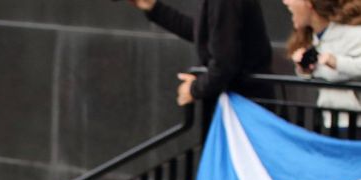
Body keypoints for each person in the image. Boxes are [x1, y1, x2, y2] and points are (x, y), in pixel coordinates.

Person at [125, 0, 274, 108]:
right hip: (243, 108)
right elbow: (206, 34)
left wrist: (194, 89)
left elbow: (224, 63)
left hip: (244, 111)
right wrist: (154, 7)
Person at [285, 0, 361, 128]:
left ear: (308, 4)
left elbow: (338, 69)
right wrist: (305, 70)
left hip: (354, 122)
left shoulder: (353, 34)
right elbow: (324, 72)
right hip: (329, 119)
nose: (286, 2)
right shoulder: (315, 38)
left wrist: (337, 62)